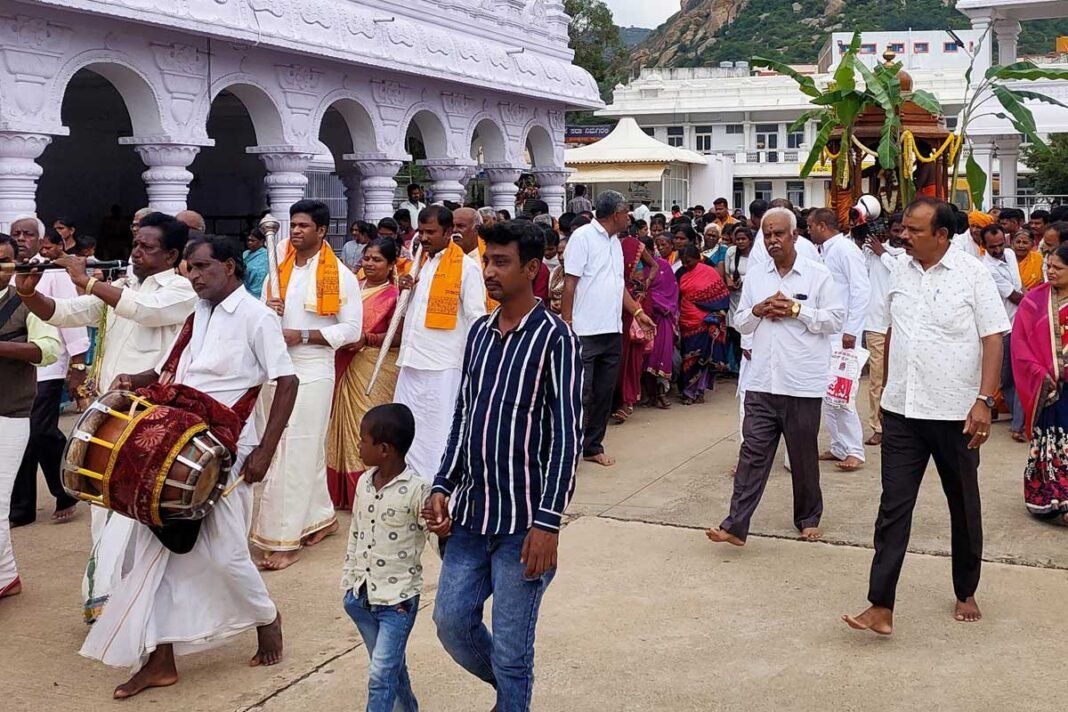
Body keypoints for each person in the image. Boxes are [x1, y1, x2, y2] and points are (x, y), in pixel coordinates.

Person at [66, 234, 298, 697]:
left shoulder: (256, 318)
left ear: (230, 266)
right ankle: (160, 659)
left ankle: (266, 618)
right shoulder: (198, 315)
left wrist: (265, 452)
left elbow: (287, 381)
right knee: (151, 555)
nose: (193, 277)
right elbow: (173, 371)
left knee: (227, 554)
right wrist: (137, 379)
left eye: (201, 268)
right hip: (178, 449)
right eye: (189, 269)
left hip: (224, 452)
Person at [427, 220, 582, 712]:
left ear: (532, 269)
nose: (489, 271)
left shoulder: (557, 339)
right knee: (452, 624)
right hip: (471, 517)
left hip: (524, 524)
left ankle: (512, 699)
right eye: (486, 260)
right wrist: (443, 483)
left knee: (515, 650)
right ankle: (512, 695)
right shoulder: (478, 334)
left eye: (501, 262)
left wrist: (549, 523)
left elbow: (567, 437)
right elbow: (464, 414)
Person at [18, 211, 197, 622]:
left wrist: (87, 279)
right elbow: (67, 312)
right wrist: (30, 294)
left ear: (171, 253)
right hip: (109, 414)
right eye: (136, 244)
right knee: (104, 508)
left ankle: (144, 603)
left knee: (137, 511)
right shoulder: (121, 284)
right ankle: (110, 600)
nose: (137, 252)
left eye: (147, 247)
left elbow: (143, 311)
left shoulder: (180, 290)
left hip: (151, 419)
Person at [844, 197, 1009, 636]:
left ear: (941, 235)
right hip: (903, 411)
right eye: (903, 229)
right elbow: (893, 329)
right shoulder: (898, 269)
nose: (903, 236)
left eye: (914, 231)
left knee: (963, 505)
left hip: (956, 413)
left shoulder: (973, 274)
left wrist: (984, 401)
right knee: (893, 508)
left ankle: (965, 589)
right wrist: (885, 390)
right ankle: (880, 604)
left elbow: (993, 338)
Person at [707, 208, 843, 547]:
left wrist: (798, 311)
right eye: (766, 235)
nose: (771, 240)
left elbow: (836, 319)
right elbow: (739, 322)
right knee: (752, 453)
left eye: (778, 234)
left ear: (794, 236)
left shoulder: (817, 275)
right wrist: (757, 310)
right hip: (762, 382)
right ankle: (735, 525)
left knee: (802, 455)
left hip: (801, 381)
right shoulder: (756, 277)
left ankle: (808, 518)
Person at [252, 200, 362, 570]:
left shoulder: (341, 275)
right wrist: (268, 317)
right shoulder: (276, 273)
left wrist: (299, 334)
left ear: (321, 232)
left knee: (293, 451)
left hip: (314, 370)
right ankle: (320, 517)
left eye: (303, 226)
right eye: (293, 225)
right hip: (277, 370)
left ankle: (283, 537)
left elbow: (351, 331)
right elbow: (260, 320)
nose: (296, 231)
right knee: (301, 449)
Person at [341, 403, 429, 712]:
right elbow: (355, 532)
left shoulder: (418, 491)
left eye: (363, 440)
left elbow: (436, 535)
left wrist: (444, 526)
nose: (359, 445)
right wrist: (350, 581)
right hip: (362, 596)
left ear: (384, 449)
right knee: (391, 669)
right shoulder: (365, 483)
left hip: (398, 603)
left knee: (380, 675)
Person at [562, 191, 654, 468]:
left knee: (603, 393)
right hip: (584, 331)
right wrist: (567, 324)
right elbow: (570, 283)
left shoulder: (616, 242)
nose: (629, 217)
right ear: (616, 213)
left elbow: (617, 286)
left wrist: (637, 313)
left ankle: (592, 447)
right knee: (580, 394)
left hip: (611, 330)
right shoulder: (582, 238)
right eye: (626, 212)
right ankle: (567, 450)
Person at [8, 214, 90, 526]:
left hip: (50, 365)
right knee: (21, 437)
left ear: (40, 238)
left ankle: (67, 486)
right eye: (16, 233)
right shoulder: (8, 271)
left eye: (28, 233)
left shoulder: (51, 269)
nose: (21, 238)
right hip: (16, 371)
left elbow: (70, 315)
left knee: (42, 431)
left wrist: (78, 365)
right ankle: (22, 508)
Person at [394, 205, 486, 482]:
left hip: (444, 365)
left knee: (438, 432)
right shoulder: (417, 264)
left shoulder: (467, 269)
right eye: (420, 231)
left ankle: (439, 490)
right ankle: (409, 486)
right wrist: (405, 290)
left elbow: (476, 318)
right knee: (408, 429)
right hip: (411, 362)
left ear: (449, 232)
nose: (423, 238)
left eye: (430, 232)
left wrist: (475, 365)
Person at [0, 234, 61, 601]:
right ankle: (6, 575)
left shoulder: (25, 302)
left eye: (5, 260)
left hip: (9, 412)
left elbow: (48, 350)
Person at [326, 238, 401, 511]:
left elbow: (399, 337)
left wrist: (366, 338)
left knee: (367, 425)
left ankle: (367, 489)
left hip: (373, 367)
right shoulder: (352, 289)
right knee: (339, 425)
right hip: (345, 360)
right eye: (367, 258)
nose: (369, 263)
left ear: (391, 265)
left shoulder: (396, 296)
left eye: (377, 259)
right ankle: (341, 492)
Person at [809, 208, 871, 471]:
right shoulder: (824, 251)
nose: (807, 230)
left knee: (842, 395)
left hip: (844, 335)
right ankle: (838, 446)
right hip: (827, 333)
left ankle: (855, 450)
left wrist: (852, 329)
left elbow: (861, 290)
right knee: (827, 394)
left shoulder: (846, 250)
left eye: (810, 225)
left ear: (822, 226)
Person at [1012, 244, 1068, 522]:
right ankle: (1055, 499)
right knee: (1052, 443)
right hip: (1050, 391)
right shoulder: (1034, 301)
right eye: (1049, 266)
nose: (1051, 271)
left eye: (1058, 267)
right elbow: (1020, 346)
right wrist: (1041, 373)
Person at [862, 214, 906, 446]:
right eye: (896, 230)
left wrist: (883, 254)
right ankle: (878, 426)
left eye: (903, 230)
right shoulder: (873, 251)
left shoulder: (907, 254)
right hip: (876, 323)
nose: (899, 235)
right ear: (889, 231)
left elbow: (901, 273)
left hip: (902, 324)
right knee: (877, 378)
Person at [980, 225, 1025, 442]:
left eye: (1000, 244)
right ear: (983, 246)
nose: (997, 250)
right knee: (1007, 377)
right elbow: (1015, 296)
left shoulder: (1009, 254)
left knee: (1020, 375)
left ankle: (1019, 422)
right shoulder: (986, 267)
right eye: (992, 247)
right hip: (1004, 326)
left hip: (1022, 324)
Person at [613, 228, 659, 423]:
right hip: (616, 303)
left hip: (636, 301)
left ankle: (627, 401)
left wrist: (645, 283)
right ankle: (616, 401)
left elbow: (654, 266)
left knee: (631, 354)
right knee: (617, 355)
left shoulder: (634, 245)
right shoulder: (610, 246)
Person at [677, 245, 731, 405]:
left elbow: (722, 295)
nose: (686, 265)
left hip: (705, 322)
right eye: (683, 262)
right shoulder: (680, 273)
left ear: (697, 258)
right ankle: (687, 390)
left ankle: (699, 391)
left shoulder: (709, 272)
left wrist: (716, 316)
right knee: (688, 358)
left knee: (704, 357)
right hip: (687, 321)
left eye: (689, 262)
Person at [642, 244, 679, 410]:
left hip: (663, 318)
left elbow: (672, 289)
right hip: (643, 317)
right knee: (645, 357)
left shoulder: (663, 266)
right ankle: (649, 395)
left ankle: (661, 394)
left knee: (662, 355)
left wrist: (663, 305)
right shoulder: (637, 267)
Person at [243, 227, 269, 298]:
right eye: (248, 240)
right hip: (243, 290)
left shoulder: (266, 256)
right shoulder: (245, 254)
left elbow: (260, 277)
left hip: (257, 293)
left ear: (261, 241)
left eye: (253, 241)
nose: (249, 243)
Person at [548, 236, 568, 315]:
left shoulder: (582, 275)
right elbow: (549, 297)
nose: (561, 257)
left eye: (565, 253)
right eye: (559, 253)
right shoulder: (555, 272)